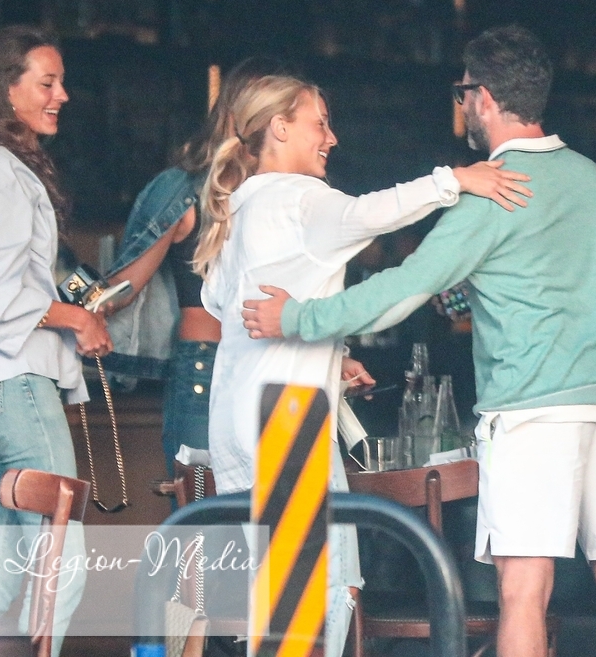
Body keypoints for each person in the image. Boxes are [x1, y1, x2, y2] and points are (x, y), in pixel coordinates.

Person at [242, 26, 596, 657]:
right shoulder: (590, 177)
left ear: (484, 97)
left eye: (462, 93)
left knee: (523, 589)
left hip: (535, 405)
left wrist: (297, 318)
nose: (462, 105)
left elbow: (404, 287)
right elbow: (567, 282)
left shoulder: (495, 189)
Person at [195, 73, 532, 655]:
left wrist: (330, 355)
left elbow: (223, 306)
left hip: (236, 419)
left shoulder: (244, 205)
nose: (331, 138)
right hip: (286, 419)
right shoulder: (299, 197)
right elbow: (375, 213)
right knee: (308, 607)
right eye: (319, 123)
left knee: (273, 602)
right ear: (280, 128)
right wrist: (456, 180)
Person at [0, 26, 112, 656]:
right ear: (6, 89)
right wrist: (75, 319)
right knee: (63, 561)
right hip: (15, 384)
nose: (62, 95)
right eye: (48, 82)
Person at [103, 57, 287, 478]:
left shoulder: (289, 193)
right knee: (205, 511)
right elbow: (124, 285)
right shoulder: (186, 187)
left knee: (276, 509)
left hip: (275, 367)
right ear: (238, 113)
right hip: (208, 364)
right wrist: (64, 311)